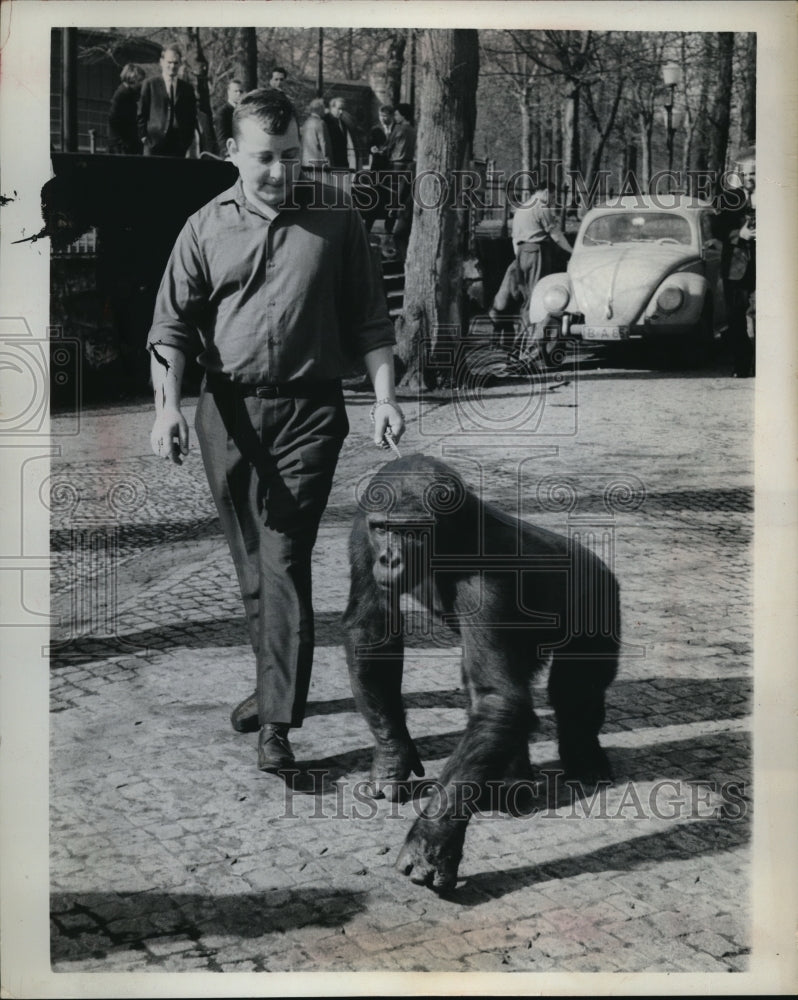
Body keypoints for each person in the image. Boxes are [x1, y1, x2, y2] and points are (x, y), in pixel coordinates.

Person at [146, 89, 405, 779]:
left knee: (284, 556)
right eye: (264, 158)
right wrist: (167, 406)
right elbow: (170, 328)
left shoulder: (336, 220)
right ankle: (270, 689)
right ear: (232, 154)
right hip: (225, 414)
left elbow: (372, 321)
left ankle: (278, 727)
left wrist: (383, 397)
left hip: (310, 413)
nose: (279, 170)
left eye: (291, 155)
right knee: (250, 565)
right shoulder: (203, 228)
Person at [490, 175, 573, 348]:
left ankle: (523, 338)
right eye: (553, 196)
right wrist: (572, 251)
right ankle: (529, 340)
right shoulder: (541, 206)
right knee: (537, 295)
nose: (553, 200)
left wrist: (519, 255)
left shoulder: (522, 207)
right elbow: (555, 235)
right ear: (545, 192)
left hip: (521, 252)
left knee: (526, 296)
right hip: (537, 251)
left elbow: (514, 237)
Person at [717, 160, 756, 378]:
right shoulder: (729, 200)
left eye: (755, 173)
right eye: (747, 174)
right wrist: (738, 235)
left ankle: (765, 365)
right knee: (736, 318)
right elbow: (716, 228)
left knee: (763, 315)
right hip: (736, 267)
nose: (750, 178)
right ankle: (741, 364)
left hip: (765, 267)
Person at [137, 45, 197, 157]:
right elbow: (141, 113)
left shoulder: (187, 89)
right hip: (153, 142)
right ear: (162, 62)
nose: (172, 66)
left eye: (175, 63)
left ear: (180, 64)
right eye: (169, 62)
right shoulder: (150, 84)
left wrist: (187, 140)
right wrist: (143, 136)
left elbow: (191, 116)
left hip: (178, 145)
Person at [108, 63, 145, 154]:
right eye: (139, 80)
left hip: (123, 144)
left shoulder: (126, 93)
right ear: (131, 78)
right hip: (122, 145)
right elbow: (113, 119)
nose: (141, 84)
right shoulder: (123, 94)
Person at [324, 96, 357, 172]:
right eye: (339, 109)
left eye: (343, 109)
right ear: (331, 108)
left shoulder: (343, 123)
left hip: (343, 164)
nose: (341, 112)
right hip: (331, 165)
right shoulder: (325, 122)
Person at [300, 97, 332, 174]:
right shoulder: (320, 123)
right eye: (323, 108)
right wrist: (328, 162)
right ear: (320, 109)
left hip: (305, 161)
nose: (324, 110)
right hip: (318, 162)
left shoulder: (306, 123)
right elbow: (324, 144)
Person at [213, 79, 244, 153]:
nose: (238, 94)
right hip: (231, 154)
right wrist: (229, 154)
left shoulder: (244, 111)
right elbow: (222, 139)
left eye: (241, 91)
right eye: (235, 91)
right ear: (228, 92)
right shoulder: (222, 112)